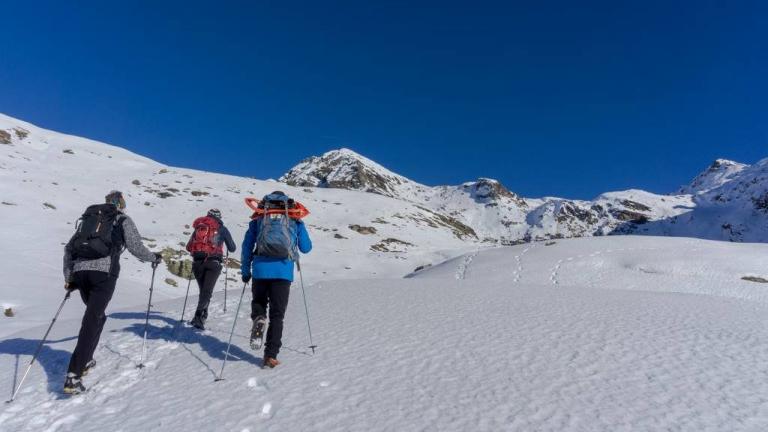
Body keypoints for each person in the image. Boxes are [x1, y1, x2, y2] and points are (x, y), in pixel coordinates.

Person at [62, 190, 161, 394]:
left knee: (97, 317)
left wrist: (70, 278)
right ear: (121, 204)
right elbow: (135, 246)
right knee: (92, 319)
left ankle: (86, 359)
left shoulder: (88, 220)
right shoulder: (121, 218)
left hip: (81, 274)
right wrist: (154, 258)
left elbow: (69, 249)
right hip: (103, 274)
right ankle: (73, 375)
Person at [241, 191, 312, 368]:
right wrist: (299, 225)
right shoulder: (294, 219)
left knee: (259, 303)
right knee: (277, 315)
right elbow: (306, 248)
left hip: (260, 269)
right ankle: (270, 356)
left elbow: (247, 246)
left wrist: (245, 271)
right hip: (283, 271)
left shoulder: (258, 219)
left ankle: (258, 317)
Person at [185, 208, 236, 330]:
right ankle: (198, 317)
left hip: (197, 262)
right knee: (207, 292)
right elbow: (232, 248)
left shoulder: (199, 227)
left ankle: (202, 315)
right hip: (213, 263)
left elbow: (188, 247)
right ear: (219, 217)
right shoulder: (221, 228)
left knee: (204, 291)